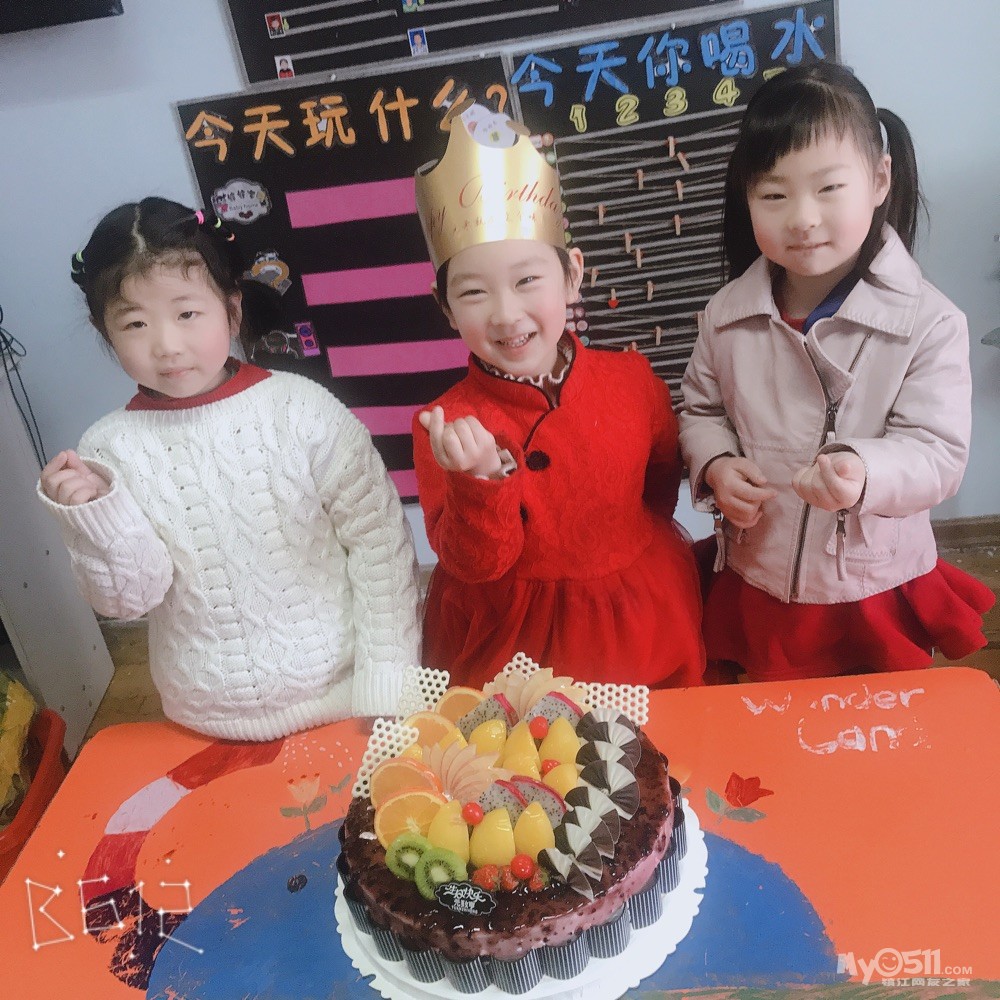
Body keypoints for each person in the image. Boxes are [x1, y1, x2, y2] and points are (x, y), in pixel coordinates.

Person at [40, 198, 421, 740]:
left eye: (187, 314)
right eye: (135, 323)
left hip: (347, 701)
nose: (167, 346)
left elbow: (380, 547)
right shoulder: (108, 448)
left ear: (232, 311)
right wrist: (93, 517)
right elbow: (129, 602)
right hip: (202, 718)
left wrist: (388, 685)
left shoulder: (301, 409)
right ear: (106, 333)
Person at [678, 62, 993, 683]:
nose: (802, 218)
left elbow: (937, 453)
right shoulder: (727, 314)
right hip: (759, 572)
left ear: (879, 180)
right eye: (774, 195)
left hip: (871, 584)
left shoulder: (929, 322)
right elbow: (701, 410)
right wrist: (716, 465)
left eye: (828, 188)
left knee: (873, 726)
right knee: (765, 722)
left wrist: (865, 470)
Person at [411, 109, 705, 690]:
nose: (506, 314)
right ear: (445, 307)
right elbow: (474, 566)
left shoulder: (632, 380)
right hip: (514, 641)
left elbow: (659, 490)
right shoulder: (445, 424)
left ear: (572, 275)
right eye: (474, 292)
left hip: (638, 613)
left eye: (527, 281)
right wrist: (480, 479)